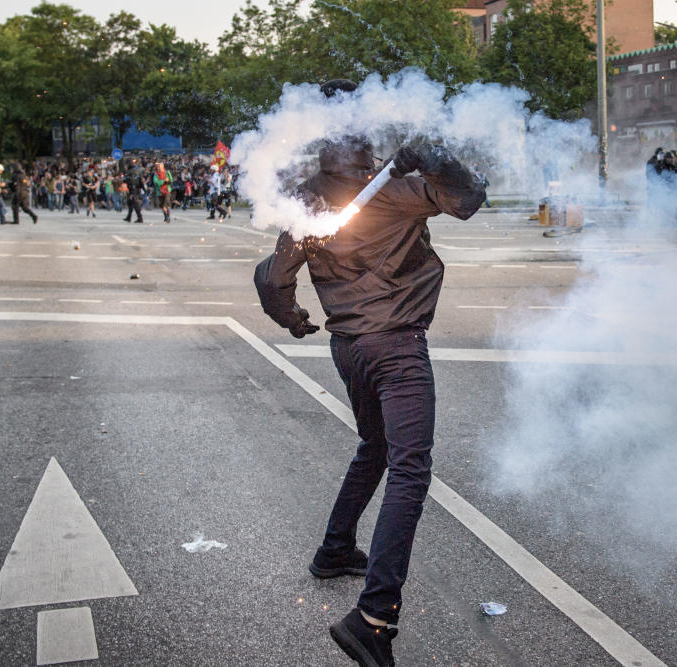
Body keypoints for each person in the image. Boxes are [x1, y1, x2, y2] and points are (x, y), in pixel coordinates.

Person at [254, 79, 485, 667]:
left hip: (349, 347)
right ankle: (375, 617)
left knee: (376, 447)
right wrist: (434, 154)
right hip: (398, 347)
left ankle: (336, 548)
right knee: (410, 470)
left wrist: (294, 316)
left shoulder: (307, 198)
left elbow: (271, 276)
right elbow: (471, 198)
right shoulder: (392, 192)